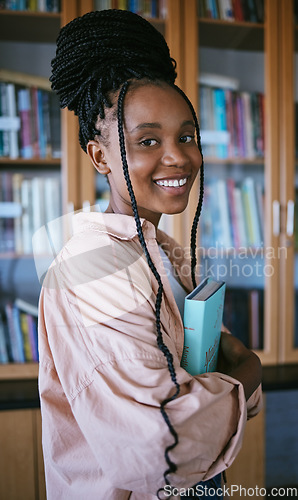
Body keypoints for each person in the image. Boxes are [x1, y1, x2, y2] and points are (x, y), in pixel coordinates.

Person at [38, 9, 262, 500]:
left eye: (186, 136)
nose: (178, 156)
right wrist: (248, 376)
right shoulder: (93, 266)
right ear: (99, 157)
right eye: (147, 141)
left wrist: (228, 380)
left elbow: (211, 366)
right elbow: (163, 438)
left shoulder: (162, 249)